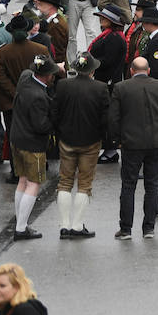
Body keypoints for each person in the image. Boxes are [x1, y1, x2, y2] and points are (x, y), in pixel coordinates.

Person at [109, 56, 158, 240]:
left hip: (131, 143)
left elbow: (113, 118)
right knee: (152, 184)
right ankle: (149, 228)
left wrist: (117, 140)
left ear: (131, 71)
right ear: (148, 70)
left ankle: (126, 229)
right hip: (156, 142)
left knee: (128, 185)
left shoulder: (121, 88)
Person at [50, 51, 109, 239]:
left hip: (66, 140)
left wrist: (59, 133)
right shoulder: (100, 88)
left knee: (65, 181)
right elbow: (105, 118)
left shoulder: (63, 85)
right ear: (92, 71)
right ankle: (77, 226)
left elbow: (55, 113)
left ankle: (64, 225)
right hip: (90, 142)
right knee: (84, 184)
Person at [9, 53, 57, 239]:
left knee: (22, 181)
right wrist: (54, 120)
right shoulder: (38, 96)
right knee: (33, 183)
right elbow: (41, 126)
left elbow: (27, 72)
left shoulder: (25, 81)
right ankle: (21, 228)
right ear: (46, 76)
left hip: (17, 138)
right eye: (52, 73)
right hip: (32, 144)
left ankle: (21, 223)